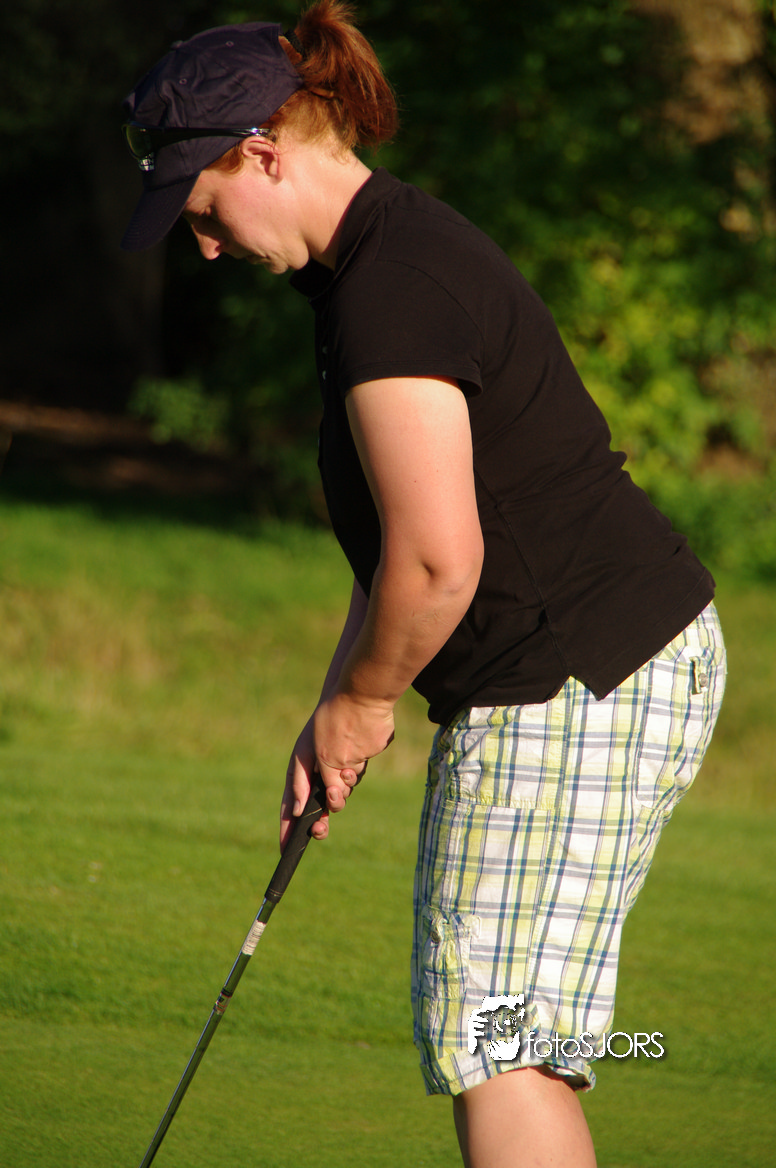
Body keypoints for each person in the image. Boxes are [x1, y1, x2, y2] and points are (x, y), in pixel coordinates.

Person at [121, 4, 727, 1165]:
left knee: (495, 1040)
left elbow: (441, 562)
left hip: (572, 672)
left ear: (261, 153)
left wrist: (366, 701)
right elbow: (398, 544)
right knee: (506, 1030)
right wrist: (338, 701)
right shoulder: (374, 266)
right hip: (595, 667)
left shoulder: (387, 291)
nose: (203, 246)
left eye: (200, 209)